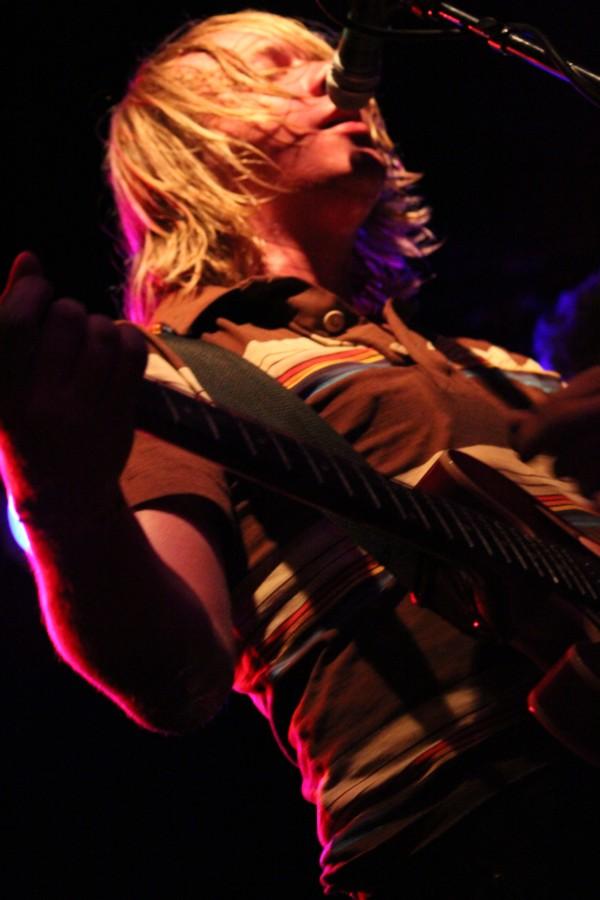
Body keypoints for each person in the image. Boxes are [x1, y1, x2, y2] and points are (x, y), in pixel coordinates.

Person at [2, 10, 600, 899]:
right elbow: (178, 680)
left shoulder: (493, 361)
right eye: (277, 66)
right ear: (188, 142)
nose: (333, 79)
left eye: (325, 62)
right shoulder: (168, 375)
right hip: (467, 837)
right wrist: (60, 495)